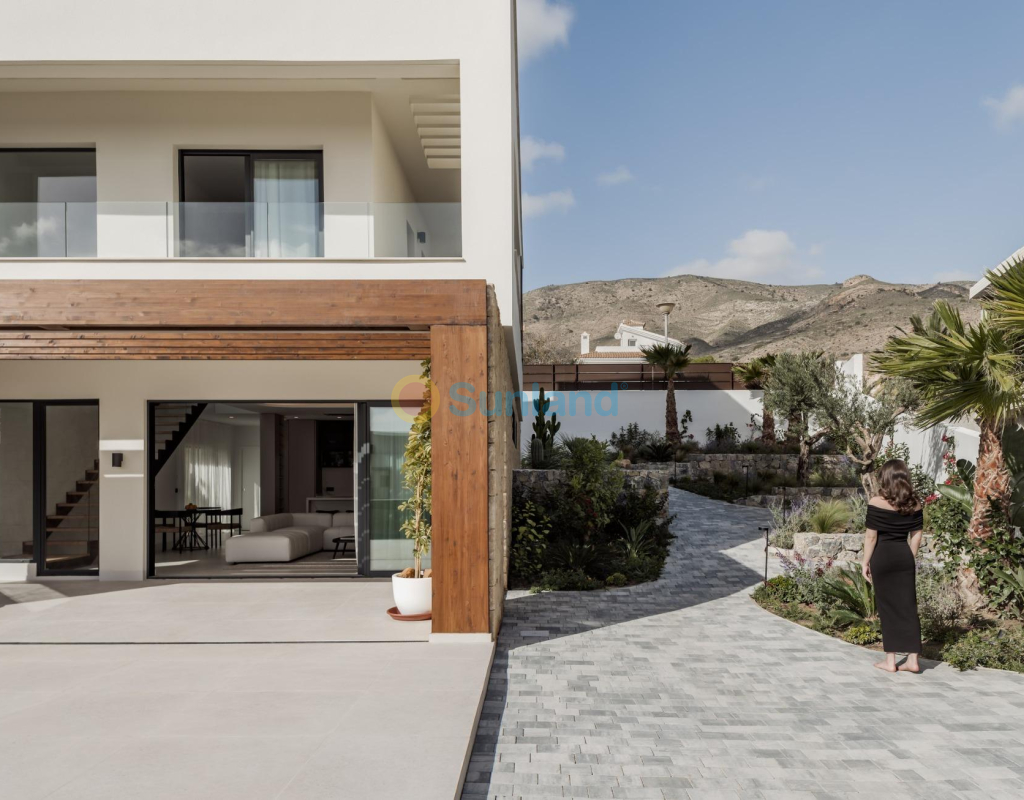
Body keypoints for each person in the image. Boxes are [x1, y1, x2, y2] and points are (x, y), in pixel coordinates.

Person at [862, 459, 924, 673]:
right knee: (908, 606)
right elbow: (917, 536)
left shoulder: (876, 502)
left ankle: (890, 661)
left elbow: (871, 537)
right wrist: (909, 558)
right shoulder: (915, 504)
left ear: (885, 478)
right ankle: (913, 660)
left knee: (887, 607)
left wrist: (865, 562)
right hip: (904, 556)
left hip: (882, 557)